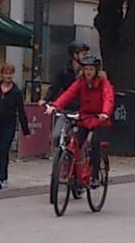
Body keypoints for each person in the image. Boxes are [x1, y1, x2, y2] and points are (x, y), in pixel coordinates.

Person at [48, 55, 114, 193]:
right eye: (85, 69)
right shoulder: (80, 82)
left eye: (91, 69)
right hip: (84, 118)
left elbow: (108, 98)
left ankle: (95, 175)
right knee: (76, 142)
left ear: (96, 70)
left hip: (100, 119)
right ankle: (75, 172)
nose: (88, 72)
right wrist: (55, 106)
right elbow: (68, 94)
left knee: (95, 143)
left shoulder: (104, 83)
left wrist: (105, 113)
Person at [0, 62, 30, 190]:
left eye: (11, 73)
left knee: (4, 148)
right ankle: (3, 176)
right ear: (2, 74)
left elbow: (21, 111)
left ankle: (1, 178)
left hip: (9, 124)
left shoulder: (16, 92)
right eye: (6, 73)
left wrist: (26, 130)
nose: (8, 76)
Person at [43, 39, 90, 104]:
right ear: (75, 55)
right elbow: (55, 86)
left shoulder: (89, 70)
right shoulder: (64, 70)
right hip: (68, 106)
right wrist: (46, 99)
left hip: (84, 106)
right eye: (84, 55)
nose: (86, 57)